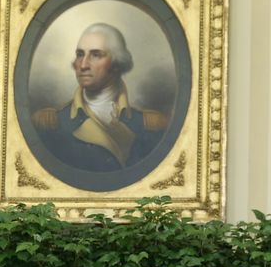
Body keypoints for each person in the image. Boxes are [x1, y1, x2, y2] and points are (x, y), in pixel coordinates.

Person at [31, 22, 169, 172]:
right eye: (80, 55)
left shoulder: (151, 125)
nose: (83, 65)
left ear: (117, 63)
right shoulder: (50, 124)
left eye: (96, 55)